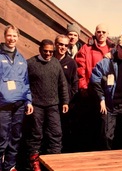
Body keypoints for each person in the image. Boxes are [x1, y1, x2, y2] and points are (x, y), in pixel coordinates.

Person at [26, 39, 69, 171]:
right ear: (40, 50)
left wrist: (65, 101)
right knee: (36, 134)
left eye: (51, 51)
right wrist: (28, 101)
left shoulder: (56, 63)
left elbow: (62, 83)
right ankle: (34, 163)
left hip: (53, 105)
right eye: (46, 51)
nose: (49, 54)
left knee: (56, 134)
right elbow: (25, 84)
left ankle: (54, 161)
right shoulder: (31, 63)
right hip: (36, 105)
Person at [73, 23, 115, 151]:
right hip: (90, 91)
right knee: (89, 122)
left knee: (104, 124)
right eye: (99, 32)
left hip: (108, 92)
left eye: (103, 32)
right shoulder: (86, 48)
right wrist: (83, 87)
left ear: (107, 34)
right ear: (95, 33)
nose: (101, 34)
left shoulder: (112, 49)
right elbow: (80, 69)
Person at [0, 25, 33, 171]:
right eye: (9, 35)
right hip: (3, 105)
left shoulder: (22, 59)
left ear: (18, 38)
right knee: (1, 139)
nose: (11, 39)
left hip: (19, 105)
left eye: (14, 36)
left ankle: (10, 166)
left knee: (15, 137)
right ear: (4, 36)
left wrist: (28, 100)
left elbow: (26, 82)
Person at [54, 34, 78, 153]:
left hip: (66, 103)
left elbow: (75, 83)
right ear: (55, 44)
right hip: (51, 102)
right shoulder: (50, 59)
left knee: (65, 130)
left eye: (65, 45)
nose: (62, 47)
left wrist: (68, 99)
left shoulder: (71, 62)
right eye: (60, 44)